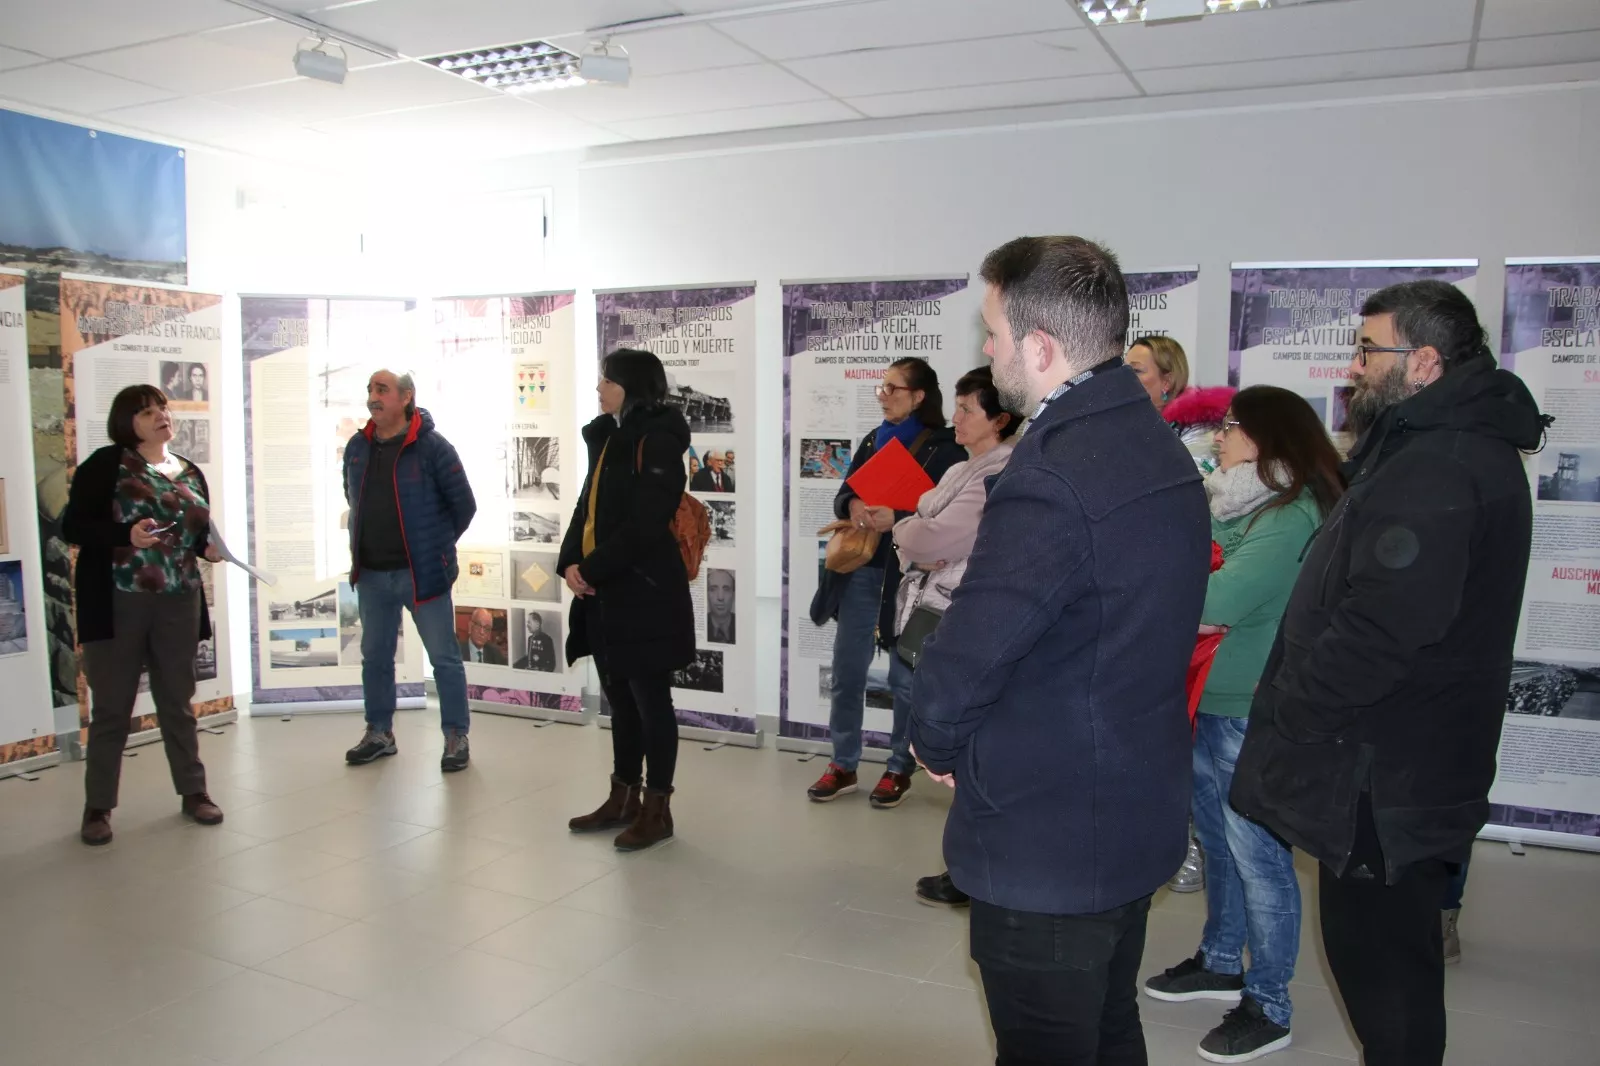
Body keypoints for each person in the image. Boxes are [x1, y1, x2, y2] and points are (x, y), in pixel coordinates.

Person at [910, 236, 1210, 1065]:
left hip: (1050, 835)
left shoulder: (1054, 472)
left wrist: (932, 739)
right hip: (1127, 808)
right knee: (1110, 1029)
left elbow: (977, 644)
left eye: (995, 331)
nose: (986, 348)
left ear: (1040, 348)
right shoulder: (1156, 448)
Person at [1231, 281, 1545, 1066]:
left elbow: (1383, 629)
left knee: (1385, 976)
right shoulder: (1441, 445)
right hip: (1396, 763)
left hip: (1382, 775)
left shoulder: (1439, 463)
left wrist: (1295, 713)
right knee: (1390, 968)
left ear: (1427, 361)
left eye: (1371, 349)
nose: (1354, 366)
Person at [1143, 386, 1346, 1063]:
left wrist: (1177, 587)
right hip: (1210, 699)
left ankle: (1269, 1003)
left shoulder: (1292, 515)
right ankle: (1223, 956)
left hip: (1252, 710)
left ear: (1266, 435)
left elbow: (1215, 595)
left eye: (1230, 426)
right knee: (1222, 846)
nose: (1219, 435)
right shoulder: (1237, 502)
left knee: (1260, 860)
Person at [64, 384, 225, 845]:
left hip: (178, 599)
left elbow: (193, 531)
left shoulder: (189, 471)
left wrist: (208, 548)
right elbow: (74, 526)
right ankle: (98, 807)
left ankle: (194, 792)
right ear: (126, 422)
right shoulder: (106, 466)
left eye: (163, 408)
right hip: (118, 601)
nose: (160, 415)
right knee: (113, 707)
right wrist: (124, 535)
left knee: (177, 701)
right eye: (147, 411)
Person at [807, 356, 967, 808]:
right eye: (882, 388)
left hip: (912, 579)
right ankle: (843, 763)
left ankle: (899, 766)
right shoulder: (873, 440)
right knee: (847, 672)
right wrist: (855, 503)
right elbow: (844, 494)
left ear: (919, 396)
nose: (883, 396)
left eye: (893, 389)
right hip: (862, 572)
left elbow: (946, 517)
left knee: (904, 680)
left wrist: (894, 515)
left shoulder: (946, 449)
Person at [886, 365, 1018, 896]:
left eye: (968, 409)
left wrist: (906, 533)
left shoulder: (997, 471)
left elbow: (931, 536)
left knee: (967, 747)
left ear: (1001, 419)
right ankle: (969, 865)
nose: (956, 417)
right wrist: (916, 539)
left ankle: (975, 869)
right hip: (934, 609)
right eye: (958, 406)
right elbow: (924, 540)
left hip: (957, 616)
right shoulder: (962, 468)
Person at [560, 348, 694, 851]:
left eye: (606, 380)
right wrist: (571, 563)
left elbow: (644, 525)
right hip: (605, 590)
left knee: (651, 701)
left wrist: (591, 569)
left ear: (630, 385)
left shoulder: (656, 439)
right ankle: (623, 798)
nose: (598, 387)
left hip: (644, 592)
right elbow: (586, 505)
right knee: (620, 697)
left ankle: (657, 809)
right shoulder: (610, 436)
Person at [1129, 336, 1233, 895]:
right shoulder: (1132, 432)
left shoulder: (1195, 444)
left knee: (1183, 731)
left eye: (1139, 370)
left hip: (1182, 596)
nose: (1127, 378)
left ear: (1167, 379)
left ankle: (1189, 841)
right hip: (1142, 594)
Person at [342, 370, 478, 772]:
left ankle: (456, 736)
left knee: (444, 659)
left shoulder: (433, 448)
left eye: (381, 390)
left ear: (406, 397)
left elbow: (464, 505)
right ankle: (379, 732)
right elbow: (352, 498)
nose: (372, 397)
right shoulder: (357, 447)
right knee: (375, 657)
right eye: (369, 390)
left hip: (422, 575)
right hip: (371, 574)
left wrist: (435, 547)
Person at [706, 568, 736, 644]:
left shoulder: (742, 624)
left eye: (726, 589)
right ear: (707, 594)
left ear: (733, 594)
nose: (720, 597)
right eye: (713, 589)